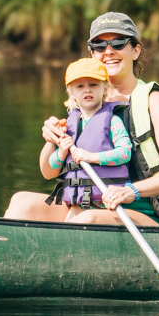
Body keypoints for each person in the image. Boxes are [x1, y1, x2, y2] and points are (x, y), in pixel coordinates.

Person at [5, 11, 159, 225]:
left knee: (88, 219)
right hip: (86, 206)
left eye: (118, 43)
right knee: (21, 203)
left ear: (135, 50)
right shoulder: (85, 101)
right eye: (99, 46)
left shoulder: (153, 100)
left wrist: (131, 191)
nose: (108, 51)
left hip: (145, 214)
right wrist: (50, 140)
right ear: (92, 54)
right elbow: (48, 172)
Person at [44, 57, 135, 212]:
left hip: (107, 203)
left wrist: (92, 157)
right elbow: (52, 165)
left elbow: (125, 153)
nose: (87, 90)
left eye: (93, 84)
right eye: (80, 86)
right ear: (71, 92)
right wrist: (60, 153)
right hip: (76, 203)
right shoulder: (67, 126)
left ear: (105, 88)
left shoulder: (113, 121)